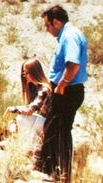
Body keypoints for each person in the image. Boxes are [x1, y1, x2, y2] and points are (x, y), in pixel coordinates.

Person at [39, 5, 88, 182]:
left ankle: (58, 174)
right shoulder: (69, 34)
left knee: (57, 131)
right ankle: (55, 172)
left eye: (47, 25)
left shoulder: (69, 35)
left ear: (56, 22)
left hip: (67, 91)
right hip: (67, 90)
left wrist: (62, 84)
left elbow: (73, 64)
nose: (47, 29)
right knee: (56, 129)